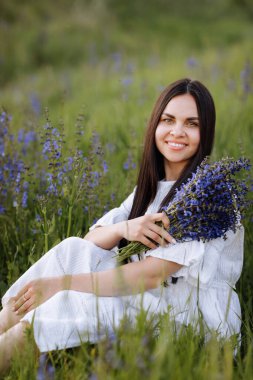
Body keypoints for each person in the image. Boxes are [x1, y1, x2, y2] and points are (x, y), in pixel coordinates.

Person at [0, 78, 244, 373]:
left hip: (188, 320)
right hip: (151, 299)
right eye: (168, 120)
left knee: (68, 298)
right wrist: (123, 229)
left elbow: (149, 276)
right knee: (71, 250)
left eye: (191, 124)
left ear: (206, 132)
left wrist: (60, 284)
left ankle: (13, 347)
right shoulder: (152, 189)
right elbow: (91, 239)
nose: (177, 132)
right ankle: (8, 327)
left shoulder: (208, 195)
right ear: (155, 124)